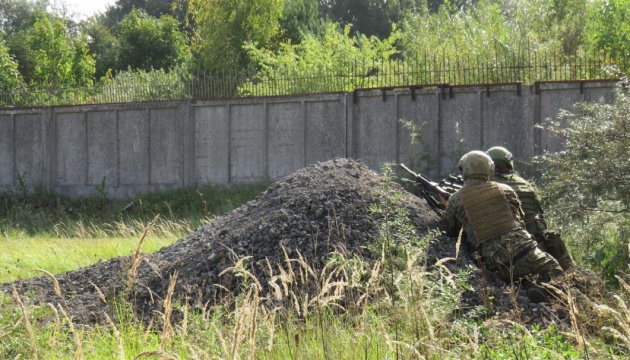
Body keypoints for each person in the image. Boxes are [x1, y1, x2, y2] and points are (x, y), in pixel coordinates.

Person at [439, 150, 564, 302]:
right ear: (489, 170)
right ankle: (548, 292)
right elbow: (520, 219)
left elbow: (447, 229)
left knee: (518, 277)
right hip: (526, 252)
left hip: (496, 265)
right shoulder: (506, 189)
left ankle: (530, 287)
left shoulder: (456, 198)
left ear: (464, 170)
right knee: (556, 273)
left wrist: (448, 208)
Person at [486, 146, 576, 271]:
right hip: (539, 240)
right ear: (509, 164)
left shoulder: (486, 186)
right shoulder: (524, 183)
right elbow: (538, 211)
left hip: (511, 246)